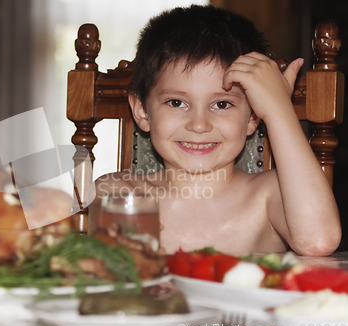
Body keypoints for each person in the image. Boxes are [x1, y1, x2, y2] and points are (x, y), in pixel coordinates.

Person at [91, 5, 341, 256]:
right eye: (176, 102)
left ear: (253, 117)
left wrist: (279, 109)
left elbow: (318, 241)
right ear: (143, 112)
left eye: (222, 104)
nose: (199, 125)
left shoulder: (270, 196)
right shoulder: (124, 194)